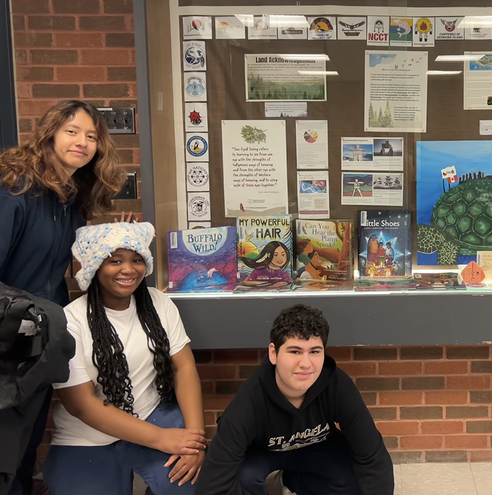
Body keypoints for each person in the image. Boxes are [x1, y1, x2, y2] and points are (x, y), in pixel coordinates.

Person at [0, 100, 124, 495]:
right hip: (7, 343)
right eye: (72, 131)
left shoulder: (68, 198)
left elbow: (59, 270)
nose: (82, 142)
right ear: (50, 133)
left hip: (40, 343)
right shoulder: (15, 188)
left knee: (25, 445)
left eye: (92, 136)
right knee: (4, 451)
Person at [43, 222, 208, 495]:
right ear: (95, 267)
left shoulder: (158, 303)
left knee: (191, 484)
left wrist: (195, 441)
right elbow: (81, 405)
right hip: (88, 437)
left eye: (137, 259)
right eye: (115, 260)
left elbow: (184, 367)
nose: (129, 270)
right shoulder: (70, 322)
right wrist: (161, 439)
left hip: (152, 414)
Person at [195, 304, 393, 495]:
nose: (305, 364)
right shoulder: (249, 401)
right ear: (274, 353)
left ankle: (291, 480)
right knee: (241, 478)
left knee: (355, 479)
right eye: (295, 351)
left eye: (314, 352)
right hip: (262, 454)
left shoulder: (337, 386)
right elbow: (213, 483)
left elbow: (372, 456)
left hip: (317, 449)